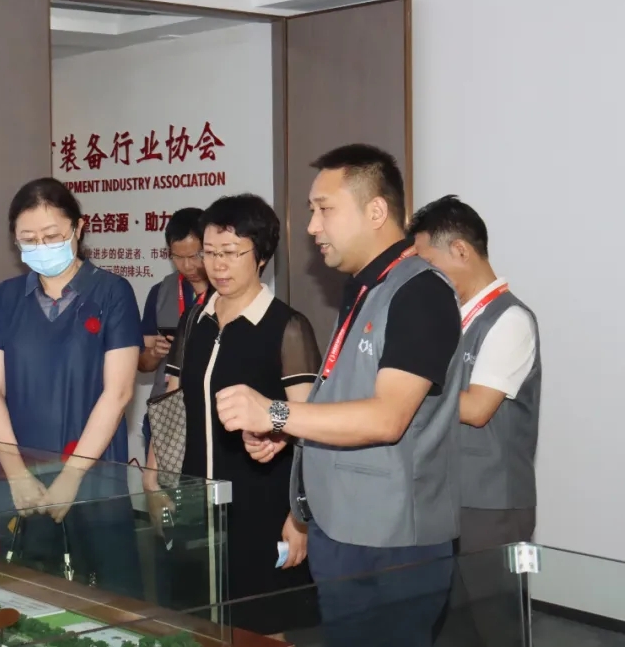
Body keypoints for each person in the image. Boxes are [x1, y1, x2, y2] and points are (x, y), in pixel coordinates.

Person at [217, 145, 462, 647]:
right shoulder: (367, 288)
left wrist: (276, 412)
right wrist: (286, 432)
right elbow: (344, 396)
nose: (312, 226)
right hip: (343, 529)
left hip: (391, 543)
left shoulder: (420, 292)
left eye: (324, 209)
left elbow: (387, 418)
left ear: (376, 211)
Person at [145, 194, 320, 635]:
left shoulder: (287, 327)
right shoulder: (193, 320)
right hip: (194, 502)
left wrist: (300, 515)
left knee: (261, 627)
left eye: (230, 253)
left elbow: (310, 427)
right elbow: (171, 403)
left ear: (260, 255)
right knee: (196, 621)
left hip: (262, 506)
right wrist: (154, 479)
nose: (217, 265)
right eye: (210, 252)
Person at [0, 177, 143, 596]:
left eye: (51, 236)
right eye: (28, 239)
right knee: (19, 599)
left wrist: (71, 476)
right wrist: (17, 474)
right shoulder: (6, 297)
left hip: (92, 474)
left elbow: (118, 393)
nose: (41, 246)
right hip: (20, 476)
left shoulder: (112, 293)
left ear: (78, 228)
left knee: (105, 601)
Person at [408, 195, 541, 647]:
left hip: (491, 506)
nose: (424, 276)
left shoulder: (510, 319)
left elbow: (479, 408)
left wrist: (404, 394)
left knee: (498, 627)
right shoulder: (452, 317)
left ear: (461, 251)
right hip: (447, 497)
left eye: (429, 263)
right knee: (454, 630)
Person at [138, 207, 209, 397]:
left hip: (214, 404)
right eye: (178, 257)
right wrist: (154, 354)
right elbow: (143, 364)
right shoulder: (160, 293)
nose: (187, 266)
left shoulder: (227, 290)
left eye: (194, 256)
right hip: (168, 405)